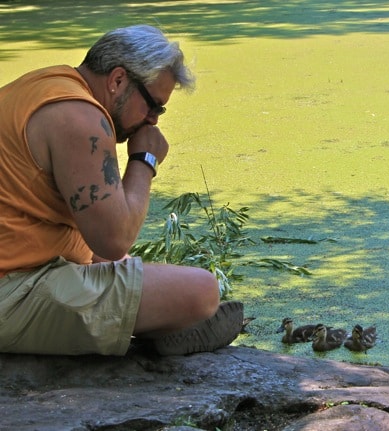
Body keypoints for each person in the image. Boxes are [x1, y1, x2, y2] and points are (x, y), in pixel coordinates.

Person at [0, 25, 244, 356]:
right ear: (117, 80)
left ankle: (146, 324)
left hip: (22, 269)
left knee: (147, 276)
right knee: (202, 291)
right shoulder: (81, 118)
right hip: (11, 292)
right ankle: (152, 330)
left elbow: (87, 233)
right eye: (153, 106)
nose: (153, 121)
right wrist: (144, 160)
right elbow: (114, 240)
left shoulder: (44, 86)